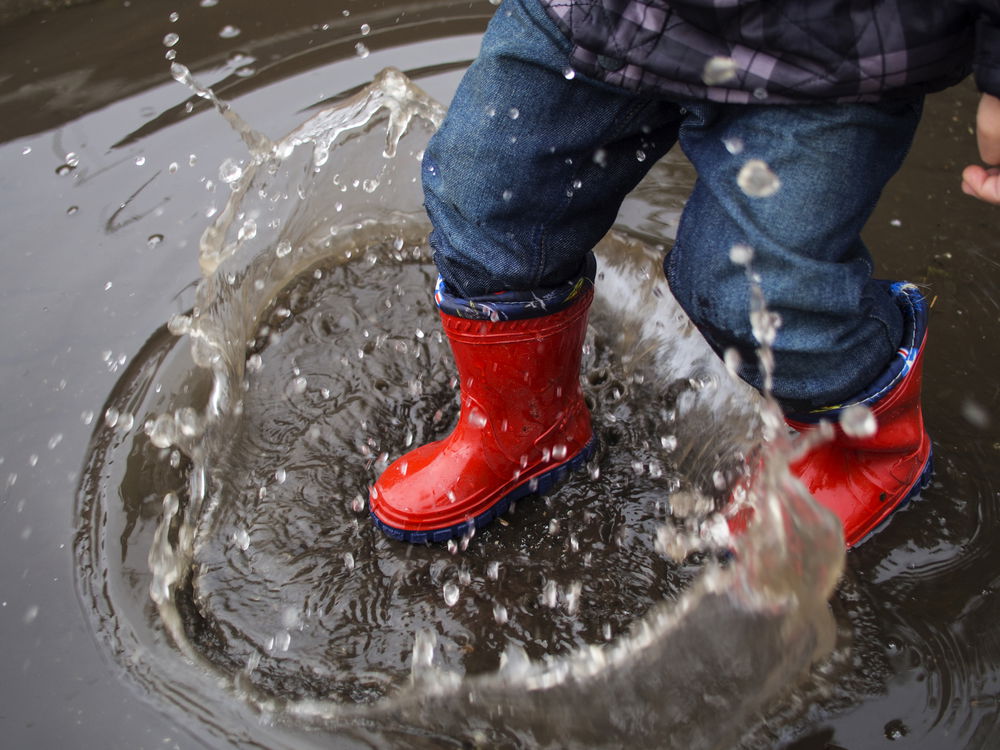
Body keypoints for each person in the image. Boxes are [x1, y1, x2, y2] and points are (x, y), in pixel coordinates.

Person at [368, 0, 1000, 546]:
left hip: (833, 53)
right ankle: (522, 429)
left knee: (755, 293)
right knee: (484, 197)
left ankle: (866, 452)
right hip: (601, 16)